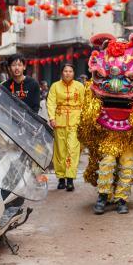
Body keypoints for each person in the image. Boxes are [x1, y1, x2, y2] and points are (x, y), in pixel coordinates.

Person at [78, 33, 133, 215]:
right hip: (109, 131)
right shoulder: (95, 84)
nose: (116, 84)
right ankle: (103, 196)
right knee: (106, 161)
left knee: (128, 163)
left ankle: (122, 198)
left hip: (129, 134)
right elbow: (89, 108)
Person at [47, 64, 85, 192]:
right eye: (65, 71)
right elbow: (51, 102)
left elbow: (84, 103)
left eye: (70, 71)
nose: (68, 73)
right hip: (59, 121)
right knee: (60, 150)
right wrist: (52, 118)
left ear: (73, 73)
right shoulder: (55, 86)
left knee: (73, 149)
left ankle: (70, 179)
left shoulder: (80, 87)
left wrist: (83, 120)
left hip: (75, 121)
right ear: (62, 73)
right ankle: (61, 178)